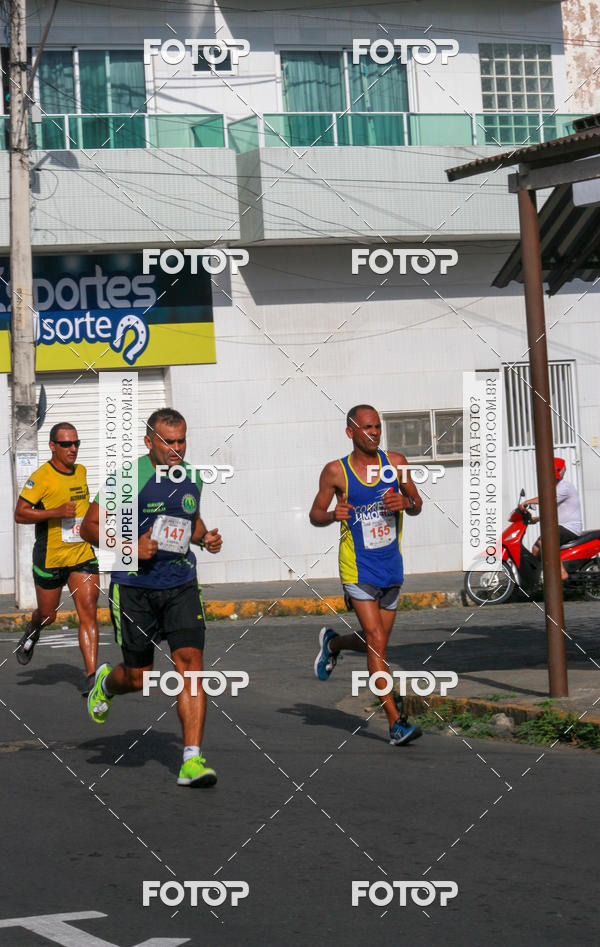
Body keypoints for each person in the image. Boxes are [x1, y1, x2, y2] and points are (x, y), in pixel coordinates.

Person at [80, 408, 223, 788]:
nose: (177, 449)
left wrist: (204, 538)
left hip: (180, 584)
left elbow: (189, 520)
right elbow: (88, 526)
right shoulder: (128, 478)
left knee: (192, 665)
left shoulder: (192, 476)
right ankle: (108, 683)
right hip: (135, 589)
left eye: (181, 441)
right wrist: (129, 545)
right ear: (149, 442)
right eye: (168, 442)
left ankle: (192, 760)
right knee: (140, 678)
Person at [309, 404, 423, 746]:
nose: (374, 433)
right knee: (376, 643)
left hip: (391, 565)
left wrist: (407, 504)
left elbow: (417, 502)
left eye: (377, 427)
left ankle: (333, 643)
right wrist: (332, 514)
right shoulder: (336, 472)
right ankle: (395, 723)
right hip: (357, 568)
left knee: (376, 643)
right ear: (351, 432)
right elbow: (315, 513)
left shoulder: (397, 464)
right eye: (367, 428)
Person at [13, 423, 99, 691]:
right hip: (50, 556)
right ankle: (33, 629)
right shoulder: (41, 477)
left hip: (81, 554)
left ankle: (92, 677)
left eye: (76, 443)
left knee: (88, 612)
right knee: (49, 615)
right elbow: (20, 513)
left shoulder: (81, 471)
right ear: (52, 446)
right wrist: (56, 512)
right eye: (66, 444)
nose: (73, 449)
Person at [521, 457, 583, 581]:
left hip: (570, 527)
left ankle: (561, 572)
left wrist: (527, 502)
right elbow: (555, 511)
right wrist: (537, 519)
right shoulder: (554, 487)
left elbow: (547, 499)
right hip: (561, 526)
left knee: (547, 541)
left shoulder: (565, 487)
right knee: (536, 549)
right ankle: (534, 578)